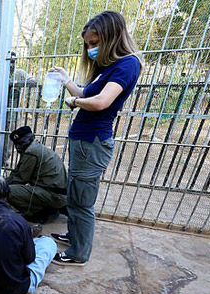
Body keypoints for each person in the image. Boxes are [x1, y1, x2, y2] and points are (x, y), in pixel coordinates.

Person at [49, 10, 142, 266]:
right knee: (76, 195)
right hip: (84, 143)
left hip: (92, 143)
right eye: (88, 44)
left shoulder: (127, 64)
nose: (90, 49)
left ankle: (78, 253)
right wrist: (67, 81)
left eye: (94, 43)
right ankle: (75, 235)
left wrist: (75, 101)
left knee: (81, 200)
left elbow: (101, 102)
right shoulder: (107, 67)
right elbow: (85, 92)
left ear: (111, 38)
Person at [6, 126, 67, 223]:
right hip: (57, 193)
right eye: (16, 144)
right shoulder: (36, 147)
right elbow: (18, 172)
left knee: (8, 191)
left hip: (55, 196)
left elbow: (20, 178)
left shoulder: (31, 152)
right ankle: (49, 209)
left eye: (21, 143)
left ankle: (37, 214)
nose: (18, 147)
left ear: (30, 139)